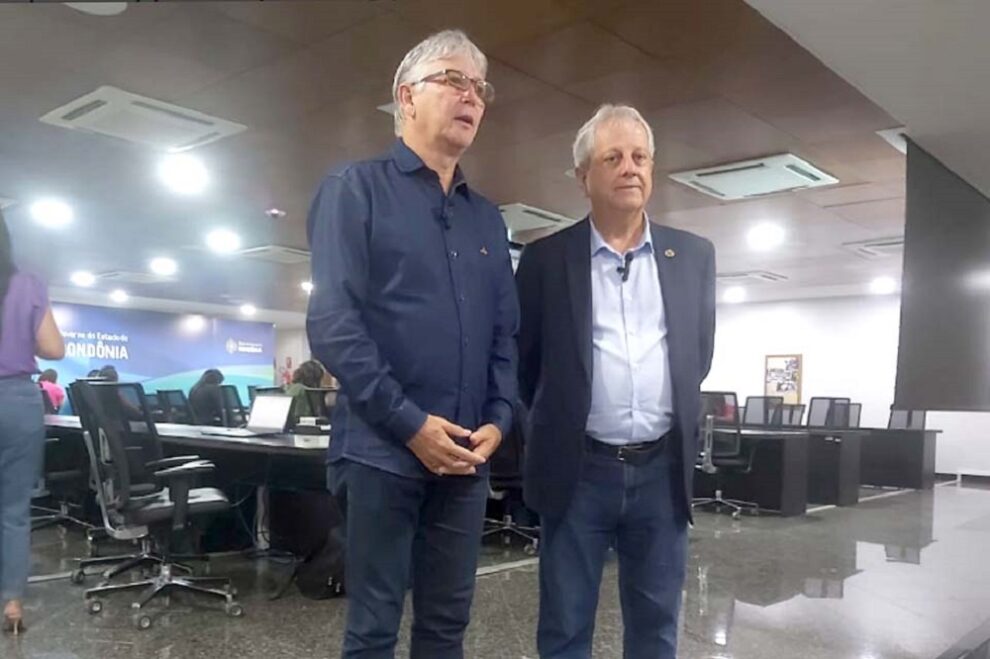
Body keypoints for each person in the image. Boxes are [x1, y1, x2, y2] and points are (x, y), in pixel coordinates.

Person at [306, 29, 518, 659]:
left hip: (465, 457)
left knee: (446, 628)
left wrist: (500, 418)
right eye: (453, 80)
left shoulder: (487, 218)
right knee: (373, 628)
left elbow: (505, 334)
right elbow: (334, 322)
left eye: (478, 87)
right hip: (381, 452)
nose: (470, 95)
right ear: (406, 97)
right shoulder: (355, 189)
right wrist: (409, 423)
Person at [516, 104, 716, 659]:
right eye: (613, 158)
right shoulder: (545, 260)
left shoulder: (693, 256)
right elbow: (526, 366)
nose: (630, 168)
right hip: (578, 471)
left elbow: (697, 357)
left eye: (640, 157)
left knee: (656, 628)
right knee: (565, 626)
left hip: (661, 472)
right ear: (584, 176)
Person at [0, 210, 65, 634]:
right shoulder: (27, 283)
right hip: (16, 401)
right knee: (13, 510)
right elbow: (54, 349)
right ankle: (12, 603)